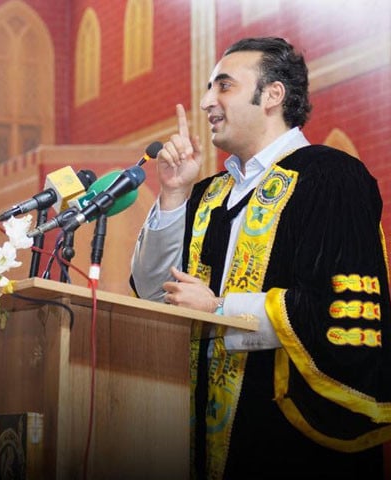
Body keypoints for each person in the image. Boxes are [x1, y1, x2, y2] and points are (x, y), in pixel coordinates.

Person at [130, 36, 391, 479]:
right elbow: (155, 291)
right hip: (199, 438)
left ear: (273, 95)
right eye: (208, 88)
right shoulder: (211, 193)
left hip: (290, 441)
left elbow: (340, 313)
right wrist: (174, 194)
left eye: (224, 86)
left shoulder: (330, 177)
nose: (206, 100)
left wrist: (218, 309)